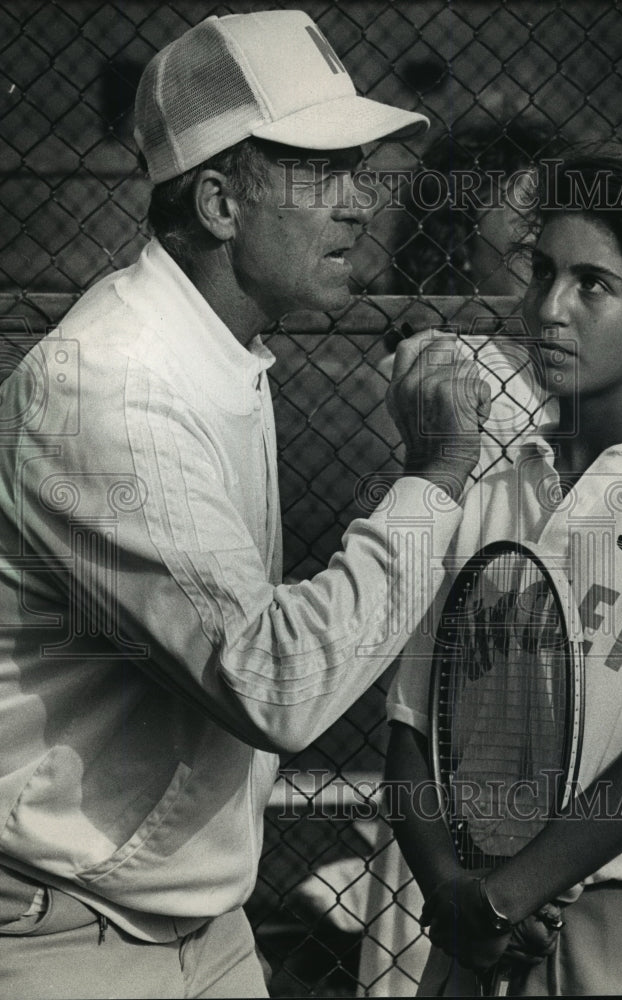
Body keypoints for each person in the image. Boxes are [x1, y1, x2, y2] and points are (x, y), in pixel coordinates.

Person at [0, 11, 491, 998]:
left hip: (193, 926)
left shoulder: (215, 348)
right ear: (221, 202)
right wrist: (437, 470)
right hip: (66, 940)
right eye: (321, 169)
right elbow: (277, 683)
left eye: (358, 169)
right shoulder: (114, 388)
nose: (360, 202)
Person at [384, 154, 622, 995]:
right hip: (472, 938)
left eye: (592, 285)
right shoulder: (492, 495)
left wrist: (503, 898)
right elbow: (410, 729)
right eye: (543, 273)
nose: (550, 308)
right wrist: (455, 898)